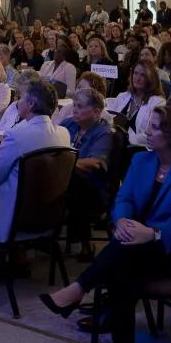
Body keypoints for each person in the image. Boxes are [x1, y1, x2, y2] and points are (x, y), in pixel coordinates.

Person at [41, 105, 171, 343]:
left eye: (154, 127)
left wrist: (153, 233)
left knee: (123, 256)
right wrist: (121, 220)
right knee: (124, 263)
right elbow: (124, 199)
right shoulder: (142, 161)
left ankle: (79, 290)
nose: (147, 131)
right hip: (137, 246)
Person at [0, 77, 71, 243]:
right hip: (50, 213)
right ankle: (18, 258)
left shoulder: (15, 135)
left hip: (14, 216)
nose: (18, 102)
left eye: (21, 98)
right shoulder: (64, 133)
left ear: (31, 104)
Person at [60, 86, 114, 260]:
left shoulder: (103, 132)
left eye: (80, 107)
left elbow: (95, 163)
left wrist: (65, 162)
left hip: (93, 190)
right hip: (65, 183)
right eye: (74, 105)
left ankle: (84, 242)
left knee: (74, 178)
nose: (75, 110)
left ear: (96, 111)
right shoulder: (68, 124)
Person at [109, 61, 165, 146]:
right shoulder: (122, 96)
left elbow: (151, 134)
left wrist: (124, 138)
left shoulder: (158, 103)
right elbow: (111, 122)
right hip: (115, 145)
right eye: (136, 73)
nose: (137, 78)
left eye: (143, 75)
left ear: (151, 79)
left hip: (137, 149)